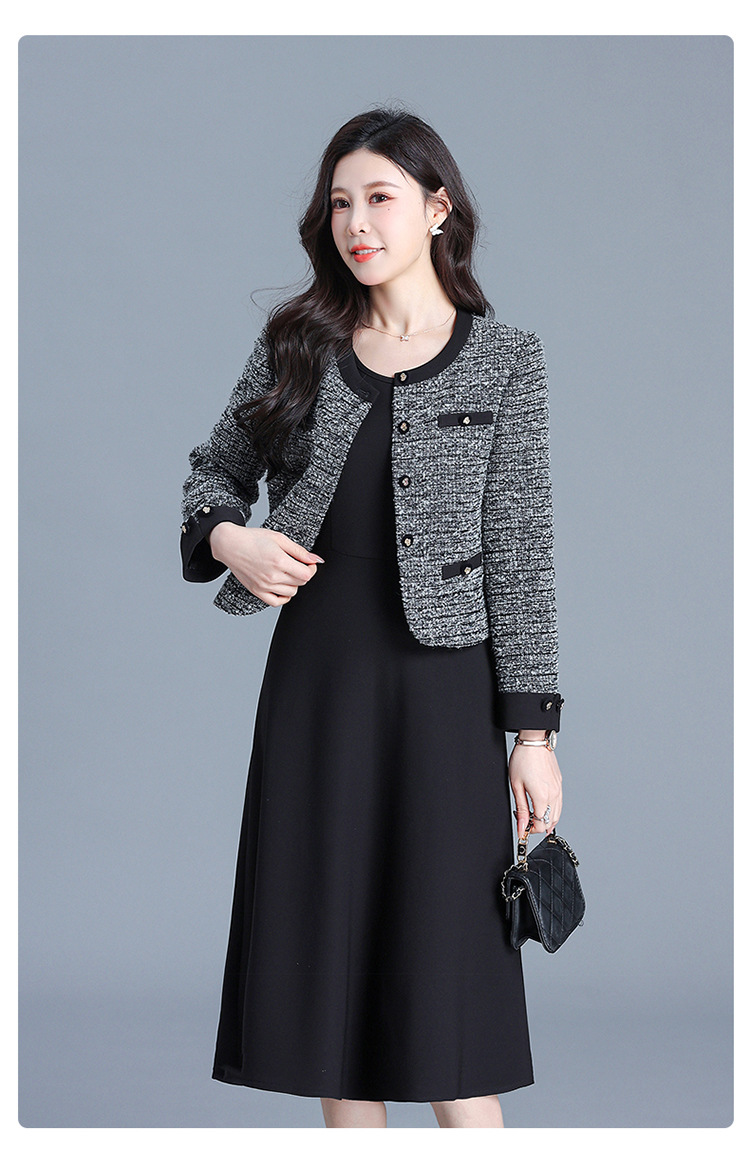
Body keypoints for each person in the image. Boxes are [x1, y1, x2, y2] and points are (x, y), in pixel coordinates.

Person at [180, 105, 565, 1130]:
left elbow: (522, 549)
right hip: (320, 686)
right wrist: (234, 539)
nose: (356, 222)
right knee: (330, 987)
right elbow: (213, 475)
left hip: (446, 697)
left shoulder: (507, 358)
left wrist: (533, 736)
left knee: (451, 994)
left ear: (438, 208)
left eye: (380, 198)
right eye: (340, 203)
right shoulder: (296, 344)